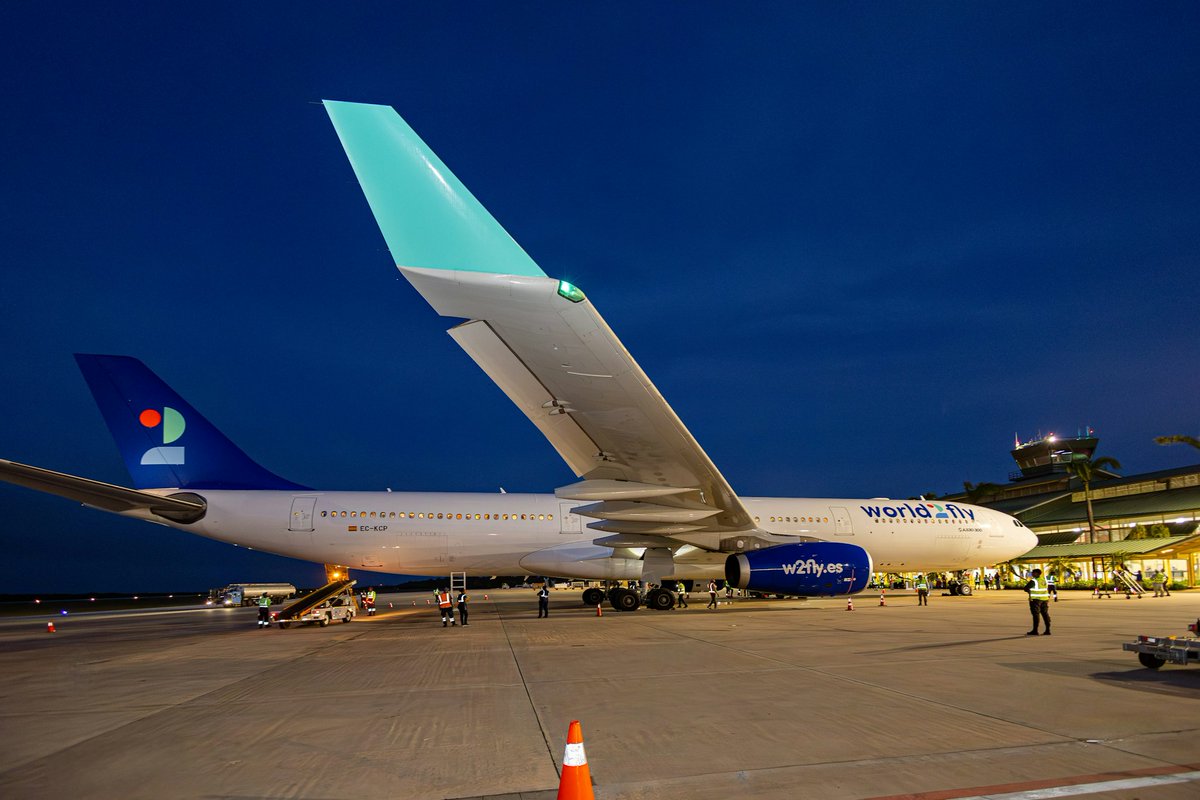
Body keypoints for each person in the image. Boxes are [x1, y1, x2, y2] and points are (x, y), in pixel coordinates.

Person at [1024, 568, 1051, 635]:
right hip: (1044, 599)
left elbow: (1025, 588)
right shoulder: (1044, 580)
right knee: (1045, 614)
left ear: (1037, 573)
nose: (1032, 574)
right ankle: (1048, 630)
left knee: (1036, 614)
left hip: (1036, 600)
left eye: (1033, 572)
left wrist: (1029, 591)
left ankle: (1035, 630)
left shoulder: (1034, 581)